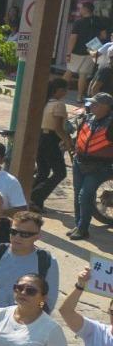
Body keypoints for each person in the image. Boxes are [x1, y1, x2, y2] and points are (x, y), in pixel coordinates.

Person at [70, 92, 113, 241]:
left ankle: (82, 230)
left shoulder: (111, 123)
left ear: (106, 107)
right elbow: (80, 135)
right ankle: (78, 225)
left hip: (100, 166)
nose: (91, 106)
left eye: (95, 104)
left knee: (85, 195)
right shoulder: (88, 119)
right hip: (79, 162)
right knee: (77, 194)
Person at [33, 78, 72, 211]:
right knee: (60, 172)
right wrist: (68, 140)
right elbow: (58, 128)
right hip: (50, 140)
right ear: (59, 90)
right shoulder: (59, 105)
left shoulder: (46, 102)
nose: (66, 92)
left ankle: (31, 199)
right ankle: (35, 196)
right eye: (65, 90)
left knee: (43, 171)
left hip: (40, 138)